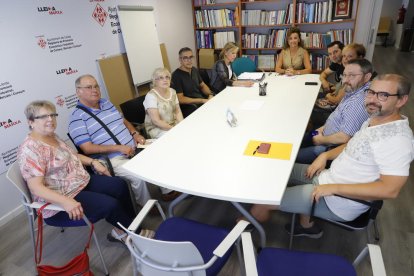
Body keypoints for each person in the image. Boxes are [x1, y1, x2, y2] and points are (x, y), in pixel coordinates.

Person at [250, 74, 414, 238]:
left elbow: (390, 189)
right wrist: (326, 156)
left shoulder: (398, 139)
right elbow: (353, 146)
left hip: (337, 200)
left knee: (263, 201)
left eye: (383, 95)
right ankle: (306, 225)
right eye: (371, 92)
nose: (372, 99)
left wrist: (333, 188)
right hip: (328, 178)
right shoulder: (375, 118)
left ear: (401, 100)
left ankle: (240, 237)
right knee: (277, 169)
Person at [18, 100, 147, 243]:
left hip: (79, 181)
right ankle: (137, 236)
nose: (50, 120)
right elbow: (36, 188)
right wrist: (66, 201)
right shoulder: (30, 149)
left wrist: (93, 162)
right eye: (43, 117)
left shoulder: (52, 136)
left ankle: (129, 227)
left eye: (52, 115)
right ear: (30, 122)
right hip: (62, 198)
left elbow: (72, 155)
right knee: (110, 205)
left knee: (119, 185)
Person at [69, 74, 178, 203]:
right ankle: (146, 206)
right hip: (112, 159)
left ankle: (167, 192)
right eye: (89, 87)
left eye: (96, 86)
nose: (94, 90)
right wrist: (119, 147)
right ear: (78, 92)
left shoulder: (106, 103)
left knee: (159, 153)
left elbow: (123, 120)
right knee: (137, 176)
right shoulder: (76, 118)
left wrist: (134, 134)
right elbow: (86, 148)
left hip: (133, 146)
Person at [297, 58, 373, 164]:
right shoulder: (354, 90)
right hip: (322, 133)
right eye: (345, 75)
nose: (345, 80)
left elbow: (345, 137)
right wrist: (320, 130)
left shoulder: (359, 102)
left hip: (327, 146)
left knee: (293, 156)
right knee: (297, 139)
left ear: (367, 77)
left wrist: (320, 140)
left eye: (352, 76)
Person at [316, 43, 366, 110]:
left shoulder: (353, 76)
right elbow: (324, 73)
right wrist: (335, 87)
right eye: (344, 56)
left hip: (339, 109)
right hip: (339, 99)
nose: (345, 59)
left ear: (360, 58)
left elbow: (337, 100)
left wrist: (327, 95)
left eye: (350, 56)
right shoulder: (343, 67)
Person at [171, 47, 214, 117]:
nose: (189, 60)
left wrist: (210, 94)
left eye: (191, 57)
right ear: (180, 60)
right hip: (190, 106)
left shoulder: (194, 70)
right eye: (185, 58)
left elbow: (202, 85)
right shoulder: (176, 76)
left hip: (201, 100)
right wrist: (202, 100)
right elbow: (181, 99)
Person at [144, 68, 184, 139]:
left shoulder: (173, 91)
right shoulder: (151, 96)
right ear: (155, 81)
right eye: (161, 78)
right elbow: (156, 121)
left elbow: (178, 111)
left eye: (167, 77)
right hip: (157, 129)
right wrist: (173, 129)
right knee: (176, 138)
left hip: (173, 124)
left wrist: (182, 124)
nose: (165, 80)